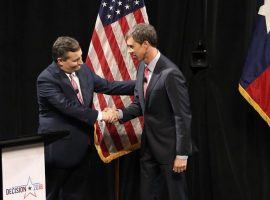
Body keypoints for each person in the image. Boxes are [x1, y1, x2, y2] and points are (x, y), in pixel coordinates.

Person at [37, 36, 134, 200]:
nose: (80, 63)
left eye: (80, 57)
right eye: (75, 60)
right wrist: (101, 115)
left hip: (82, 144)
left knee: (76, 193)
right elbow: (68, 107)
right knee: (51, 194)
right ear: (60, 61)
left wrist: (141, 84)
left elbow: (109, 86)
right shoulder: (46, 79)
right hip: (59, 148)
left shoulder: (82, 70)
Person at [116, 23, 192, 200]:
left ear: (145, 44)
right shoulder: (143, 66)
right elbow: (139, 104)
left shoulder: (171, 73)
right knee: (147, 195)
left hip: (170, 150)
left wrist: (182, 154)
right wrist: (120, 114)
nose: (129, 51)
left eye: (131, 46)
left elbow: (182, 116)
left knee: (176, 195)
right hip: (148, 146)